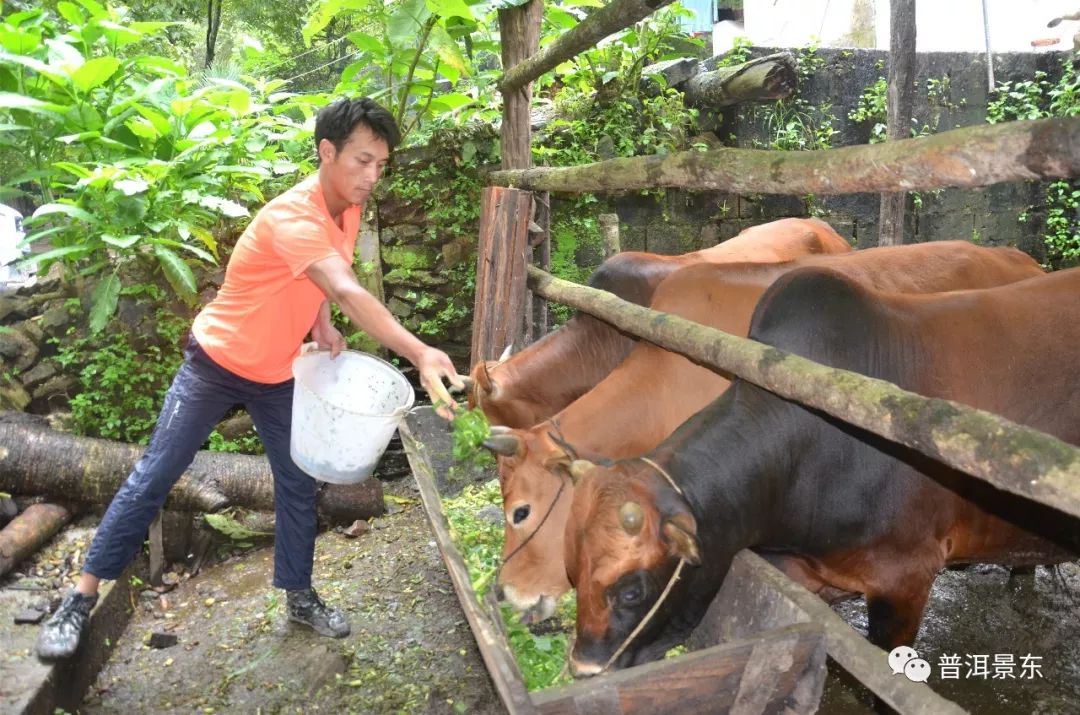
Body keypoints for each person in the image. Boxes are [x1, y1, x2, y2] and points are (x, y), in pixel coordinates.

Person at [36, 97, 464, 660]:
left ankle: (298, 594)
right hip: (214, 364)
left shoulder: (348, 211)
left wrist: (321, 323)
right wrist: (419, 349)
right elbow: (345, 286)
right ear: (326, 152)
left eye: (381, 164)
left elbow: (322, 283)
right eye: (362, 161)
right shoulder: (294, 216)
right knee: (156, 473)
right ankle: (80, 598)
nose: (371, 176)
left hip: (278, 372)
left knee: (297, 481)